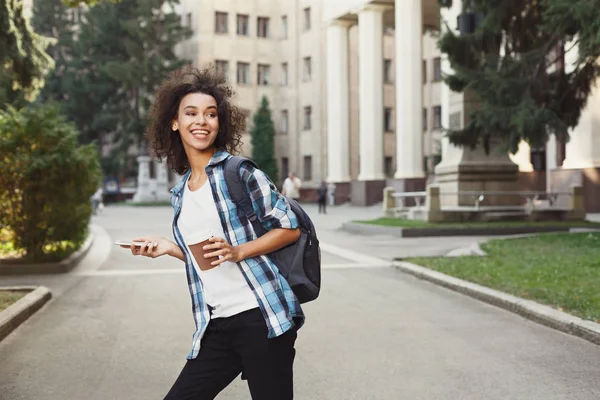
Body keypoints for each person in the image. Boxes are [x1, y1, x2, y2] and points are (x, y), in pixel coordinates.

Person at [123, 66, 304, 400]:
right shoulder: (181, 193)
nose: (201, 121)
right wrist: (169, 247)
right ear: (175, 123)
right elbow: (208, 256)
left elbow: (289, 229)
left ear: (220, 123)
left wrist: (239, 251)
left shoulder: (240, 172)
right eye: (190, 113)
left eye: (210, 114)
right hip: (218, 323)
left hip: (261, 317)